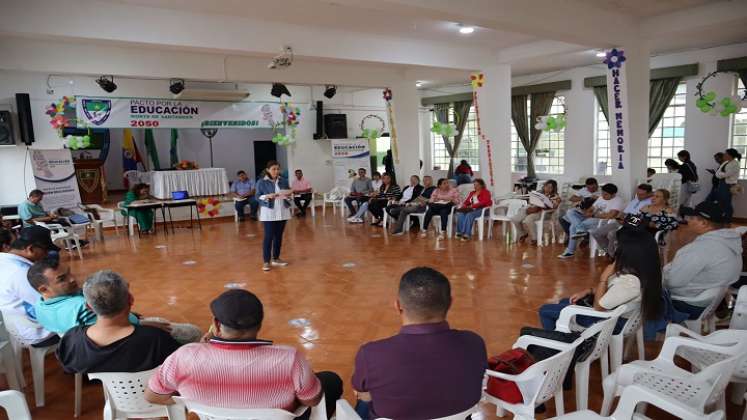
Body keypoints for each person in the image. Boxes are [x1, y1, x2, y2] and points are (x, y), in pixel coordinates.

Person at [145, 289, 343, 419]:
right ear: (259, 325)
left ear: (216, 324)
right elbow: (311, 400)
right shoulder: (290, 358)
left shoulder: (185, 356)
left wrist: (189, 401)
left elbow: (153, 396)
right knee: (330, 380)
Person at [351, 267, 486, 420]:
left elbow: (361, 391)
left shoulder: (371, 354)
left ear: (398, 305)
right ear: (450, 303)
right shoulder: (474, 343)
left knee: (364, 400)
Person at [28, 260, 201, 342]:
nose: (73, 279)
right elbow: (112, 326)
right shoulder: (79, 306)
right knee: (191, 332)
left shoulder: (40, 304)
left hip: (88, 344)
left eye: (70, 272)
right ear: (43, 288)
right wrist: (142, 324)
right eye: (62, 278)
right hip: (122, 339)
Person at [539, 225, 663, 331]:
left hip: (610, 322)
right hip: (615, 315)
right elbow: (613, 289)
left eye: (617, 244)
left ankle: (560, 344)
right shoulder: (644, 270)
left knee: (545, 310)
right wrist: (589, 290)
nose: (614, 247)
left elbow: (598, 307)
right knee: (565, 302)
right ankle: (568, 334)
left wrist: (603, 278)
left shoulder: (629, 282)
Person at [56, 270, 180, 374]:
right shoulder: (156, 339)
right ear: (131, 300)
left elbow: (68, 367)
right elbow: (180, 366)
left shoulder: (71, 339)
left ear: (89, 306)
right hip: (153, 395)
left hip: (115, 394)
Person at [663, 201, 742, 320]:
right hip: (709, 300)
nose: (688, 220)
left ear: (704, 223)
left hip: (688, 305)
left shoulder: (700, 249)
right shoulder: (730, 241)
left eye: (692, 217)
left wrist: (665, 271)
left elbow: (672, 282)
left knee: (643, 292)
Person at [0, 226, 58, 346]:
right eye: (46, 250)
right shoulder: (22, 273)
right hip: (36, 331)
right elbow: (52, 302)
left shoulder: (4, 260)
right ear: (30, 249)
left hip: (15, 324)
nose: (47, 254)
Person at [559, 183, 625, 259]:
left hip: (601, 221)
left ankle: (570, 250)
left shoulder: (618, 201)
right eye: (602, 193)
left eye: (606, 194)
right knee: (571, 211)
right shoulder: (601, 197)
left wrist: (593, 215)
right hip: (591, 217)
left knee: (573, 226)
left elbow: (610, 215)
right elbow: (591, 209)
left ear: (613, 194)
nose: (603, 196)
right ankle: (580, 229)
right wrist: (587, 213)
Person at [592, 184, 653, 255]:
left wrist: (626, 220)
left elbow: (642, 221)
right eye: (637, 194)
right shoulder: (635, 200)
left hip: (632, 225)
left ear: (649, 194)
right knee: (596, 233)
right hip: (621, 222)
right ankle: (608, 251)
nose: (639, 196)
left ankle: (612, 255)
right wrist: (619, 217)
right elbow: (624, 212)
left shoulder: (651, 203)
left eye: (642, 194)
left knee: (611, 234)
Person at [256, 161, 292, 272]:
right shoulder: (262, 182)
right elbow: (257, 196)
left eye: (277, 169)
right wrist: (267, 196)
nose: (276, 171)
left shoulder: (283, 181)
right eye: (273, 169)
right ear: (268, 170)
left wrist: (289, 196)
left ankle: (276, 258)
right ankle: (266, 261)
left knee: (279, 237)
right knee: (268, 237)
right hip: (269, 213)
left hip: (282, 211)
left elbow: (287, 193)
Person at [514, 180, 561, 245]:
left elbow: (554, 207)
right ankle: (523, 234)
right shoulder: (539, 192)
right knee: (515, 219)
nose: (547, 189)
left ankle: (534, 238)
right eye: (546, 186)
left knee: (528, 219)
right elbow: (531, 202)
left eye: (550, 187)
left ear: (553, 189)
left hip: (544, 213)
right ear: (544, 186)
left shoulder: (555, 196)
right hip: (532, 209)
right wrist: (532, 204)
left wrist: (548, 203)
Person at [713, 148, 741, 223]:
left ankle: (728, 219)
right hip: (722, 183)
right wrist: (721, 174)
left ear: (730, 155)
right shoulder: (726, 162)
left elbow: (727, 174)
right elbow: (717, 173)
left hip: (728, 185)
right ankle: (723, 217)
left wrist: (720, 174)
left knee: (727, 202)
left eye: (725, 154)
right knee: (721, 201)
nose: (724, 155)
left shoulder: (735, 163)